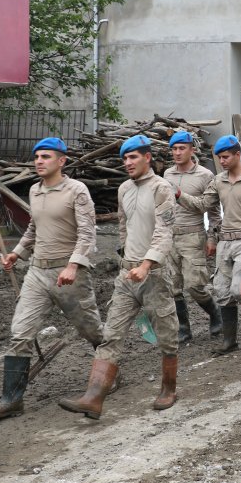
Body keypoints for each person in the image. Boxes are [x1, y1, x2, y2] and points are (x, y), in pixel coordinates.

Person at [59, 135, 180, 418]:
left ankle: (169, 388)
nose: (127, 163)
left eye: (133, 157)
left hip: (154, 274)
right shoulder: (124, 188)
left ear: (147, 157)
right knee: (111, 334)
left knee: (166, 334)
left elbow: (164, 233)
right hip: (127, 276)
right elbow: (123, 228)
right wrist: (125, 262)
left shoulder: (161, 188)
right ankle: (93, 397)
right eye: (124, 158)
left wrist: (146, 265)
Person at [0, 138, 103, 421]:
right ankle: (12, 399)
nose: (39, 161)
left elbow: (87, 233)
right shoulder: (35, 190)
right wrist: (17, 253)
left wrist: (73, 265)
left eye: (45, 156)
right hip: (37, 273)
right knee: (20, 333)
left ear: (61, 161)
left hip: (69, 275)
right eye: (37, 157)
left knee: (91, 330)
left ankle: (108, 375)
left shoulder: (76, 190)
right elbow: (33, 228)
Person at [201, 135, 241, 355]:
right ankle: (229, 341)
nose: (222, 161)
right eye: (219, 157)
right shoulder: (219, 180)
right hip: (225, 242)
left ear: (238, 154)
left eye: (226, 157)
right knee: (222, 291)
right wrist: (179, 195)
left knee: (240, 290)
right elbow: (203, 204)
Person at [163, 131, 222, 344]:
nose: (177, 153)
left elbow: (213, 211)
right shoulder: (167, 174)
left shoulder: (205, 175)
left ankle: (215, 313)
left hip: (193, 235)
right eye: (174, 149)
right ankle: (183, 328)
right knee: (173, 286)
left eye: (182, 148)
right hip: (170, 237)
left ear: (192, 150)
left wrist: (212, 238)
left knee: (195, 285)